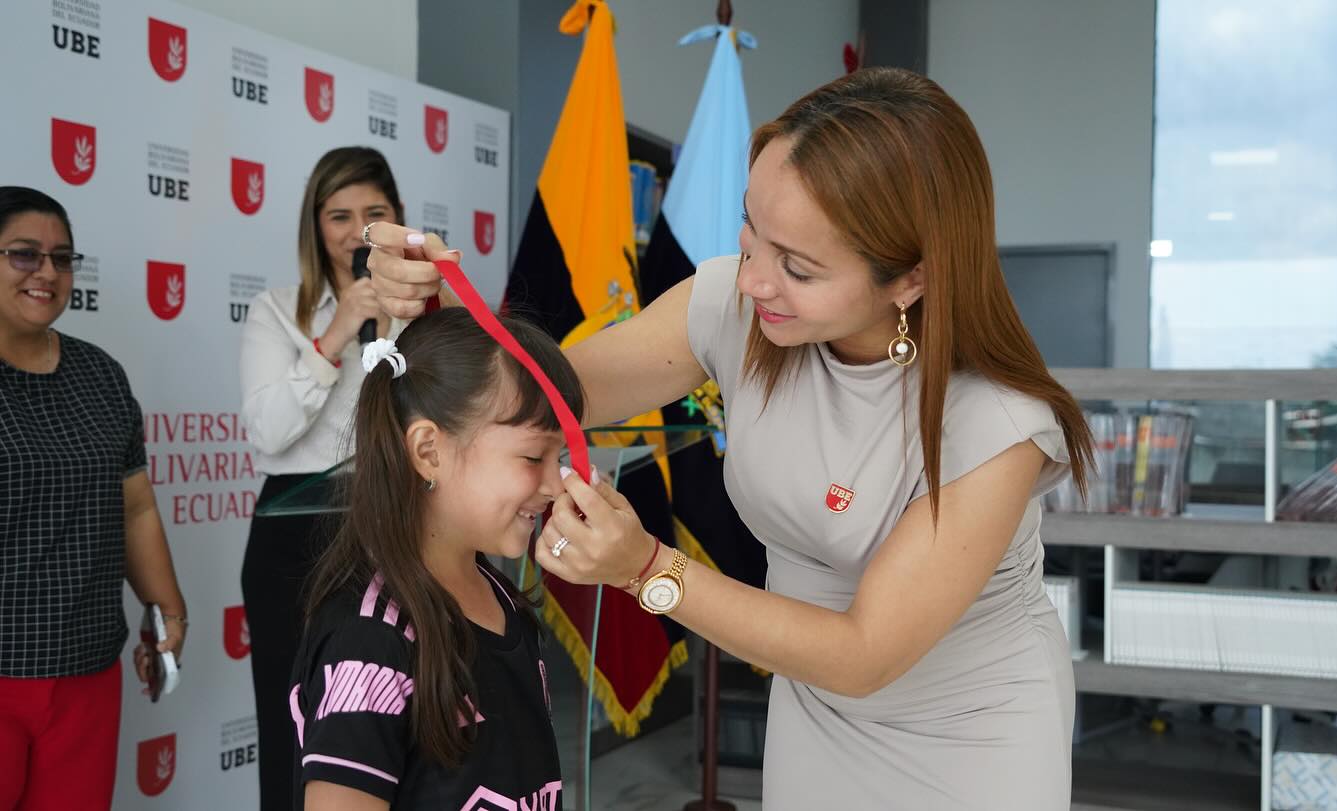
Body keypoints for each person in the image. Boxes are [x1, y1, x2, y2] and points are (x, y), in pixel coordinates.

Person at [367, 67, 1097, 808]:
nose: (753, 281)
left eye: (798, 267)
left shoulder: (995, 421)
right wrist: (434, 314)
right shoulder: (736, 307)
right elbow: (552, 397)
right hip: (813, 707)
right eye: (752, 231)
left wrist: (646, 566)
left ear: (910, 278)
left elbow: (865, 651)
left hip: (967, 735)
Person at [290, 308, 569, 810]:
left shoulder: (504, 601)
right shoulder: (369, 641)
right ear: (428, 451)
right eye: (533, 457)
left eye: (560, 458)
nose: (554, 485)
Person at [0, 186, 188, 809]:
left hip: (86, 670)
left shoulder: (100, 374)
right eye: (24, 255)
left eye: (63, 258)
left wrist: (167, 609)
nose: (47, 273)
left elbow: (134, 506)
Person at [239, 146, 409, 809]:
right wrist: (336, 332)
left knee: (399, 715)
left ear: (397, 219)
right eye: (339, 215)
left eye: (375, 212)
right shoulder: (275, 310)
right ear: (315, 225)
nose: (356, 230)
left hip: (398, 525)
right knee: (298, 727)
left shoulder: (426, 312)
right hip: (296, 534)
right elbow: (268, 431)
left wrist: (405, 320)